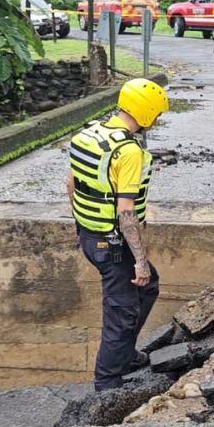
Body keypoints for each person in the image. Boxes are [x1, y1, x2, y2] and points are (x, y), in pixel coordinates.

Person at [67, 78, 170, 390]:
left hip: (89, 234)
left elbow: (71, 184)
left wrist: (81, 227)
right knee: (121, 314)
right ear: (147, 113)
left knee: (148, 286)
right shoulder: (128, 152)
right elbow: (126, 212)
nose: (158, 120)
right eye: (157, 115)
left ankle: (123, 354)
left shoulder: (89, 134)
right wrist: (138, 259)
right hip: (113, 244)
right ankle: (107, 384)